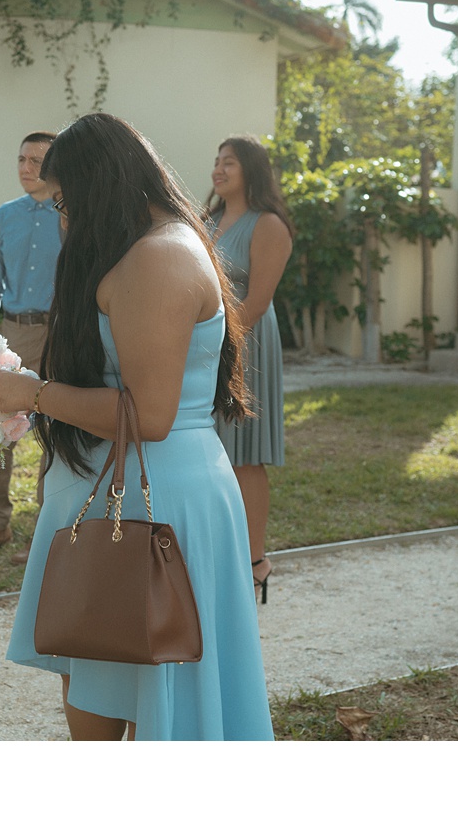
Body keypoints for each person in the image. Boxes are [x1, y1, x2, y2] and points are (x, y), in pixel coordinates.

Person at [0, 113, 273, 741]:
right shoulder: (145, 245)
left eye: (64, 200)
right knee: (96, 668)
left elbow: (151, 416)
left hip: (152, 495)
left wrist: (35, 393)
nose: (62, 216)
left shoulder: (158, 259)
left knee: (140, 677)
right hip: (123, 490)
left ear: (98, 186)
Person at [0, 130, 62, 563]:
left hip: (60, 333)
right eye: (21, 159)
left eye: (37, 161)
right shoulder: (4, 216)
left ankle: (43, 531)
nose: (26, 168)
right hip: (12, 335)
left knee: (53, 432)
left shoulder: (71, 216)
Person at [205, 135, 294, 604]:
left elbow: (256, 302)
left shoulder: (269, 225)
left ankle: (256, 561)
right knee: (210, 449)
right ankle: (216, 555)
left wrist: (210, 345)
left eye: (230, 163)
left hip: (247, 346)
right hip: (206, 346)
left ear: (251, 171)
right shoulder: (209, 221)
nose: (218, 170)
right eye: (217, 162)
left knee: (246, 454)